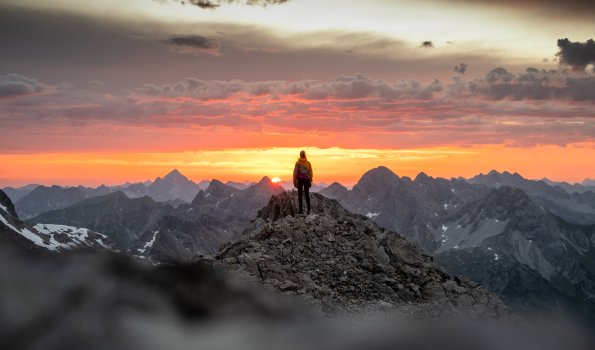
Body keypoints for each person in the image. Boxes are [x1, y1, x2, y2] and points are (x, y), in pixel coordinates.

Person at [293, 150, 313, 214]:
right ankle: (308, 209)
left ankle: (300, 210)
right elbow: (311, 172)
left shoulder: (298, 163)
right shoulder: (308, 163)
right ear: (305, 155)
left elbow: (295, 173)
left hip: (300, 180)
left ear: (300, 155)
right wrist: (310, 180)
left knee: (300, 195)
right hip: (307, 179)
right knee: (307, 194)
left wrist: (295, 182)